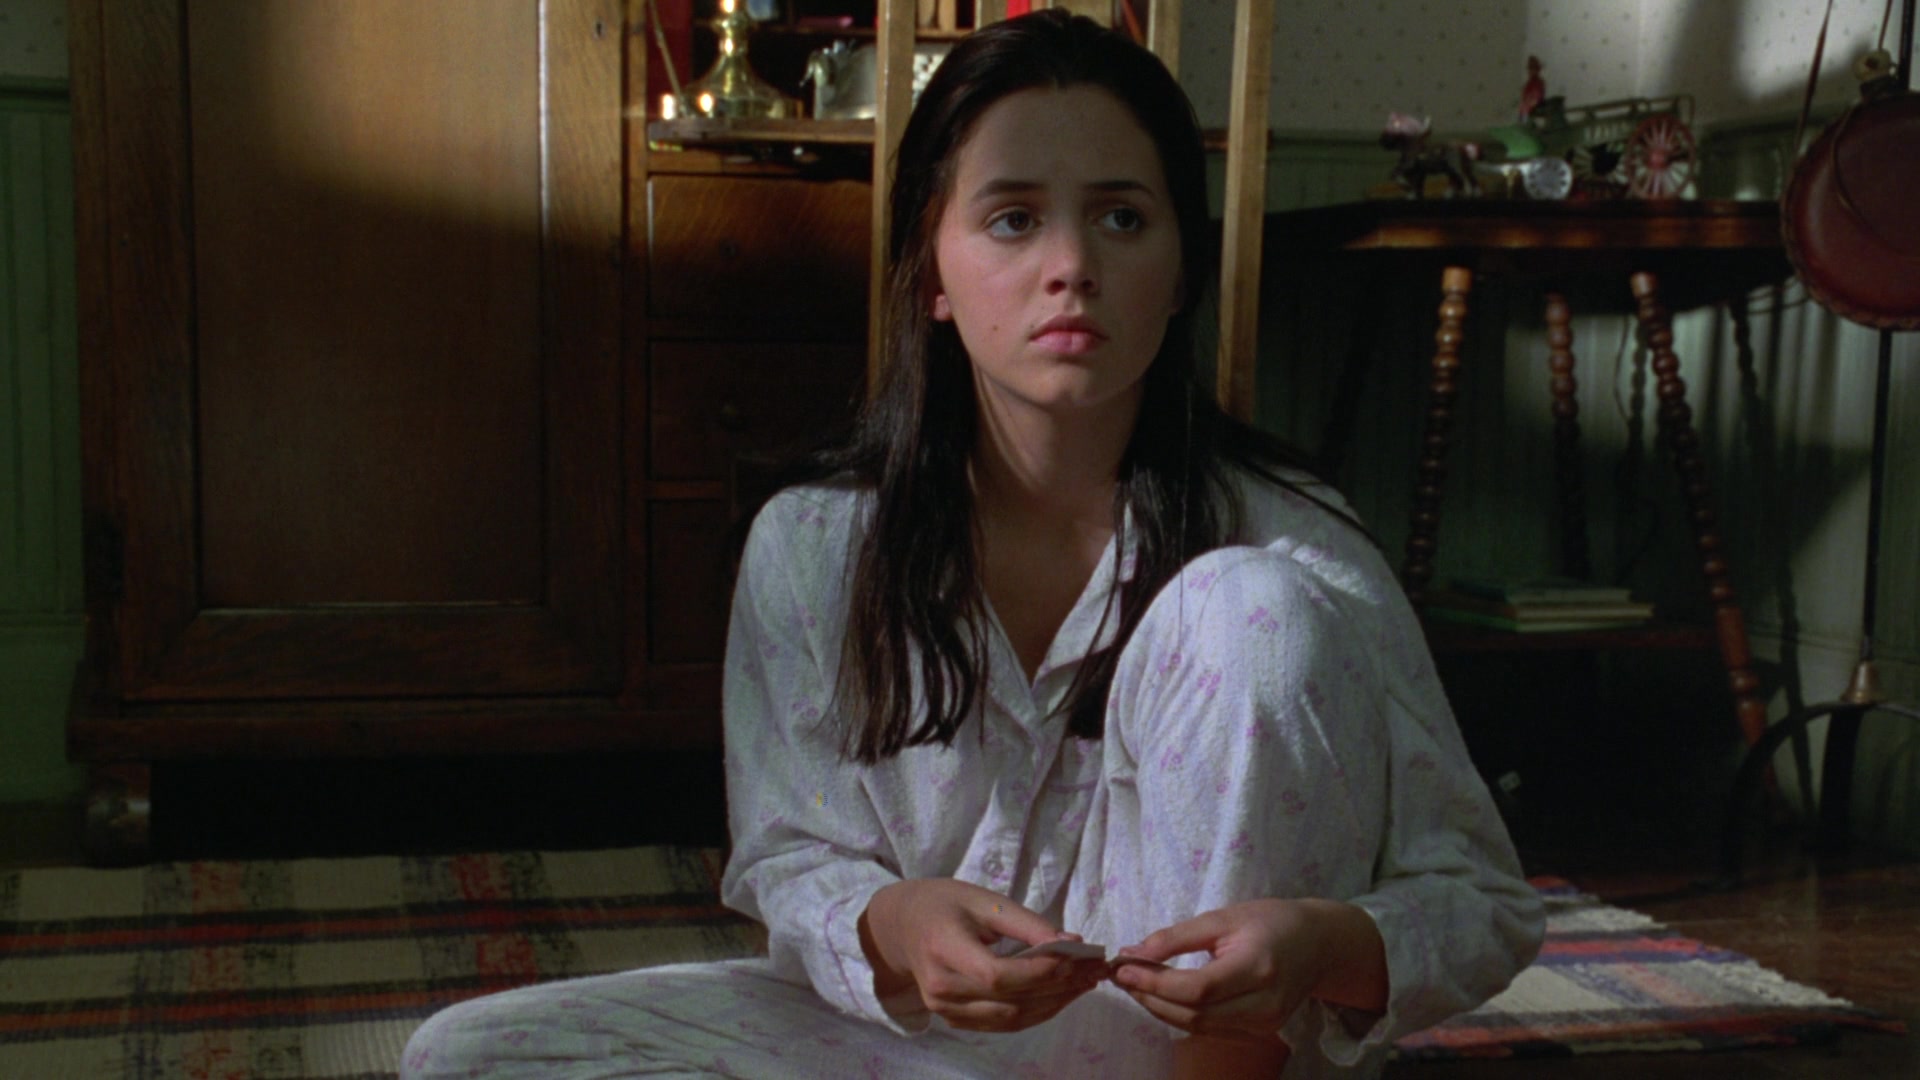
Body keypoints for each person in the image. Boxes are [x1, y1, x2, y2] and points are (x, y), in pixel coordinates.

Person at [401, 10, 1542, 1078]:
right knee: (473, 1057)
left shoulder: (1297, 542)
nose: (1071, 264)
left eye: (1122, 218)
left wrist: (1325, 943)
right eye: (1012, 219)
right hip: (923, 1047)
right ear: (932, 272)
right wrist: (893, 921)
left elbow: (1480, 900)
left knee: (1254, 610)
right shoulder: (812, 547)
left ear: (1180, 272)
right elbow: (787, 857)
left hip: (1197, 1058)